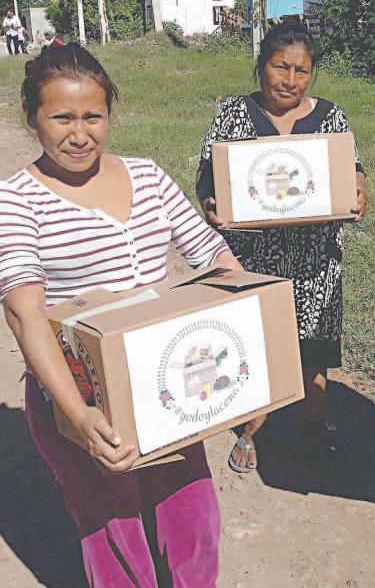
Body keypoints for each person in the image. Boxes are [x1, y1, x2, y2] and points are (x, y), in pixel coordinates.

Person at [1, 44, 243, 587]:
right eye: (61, 117)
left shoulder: (147, 176)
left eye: (93, 116)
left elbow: (214, 255)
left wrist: (252, 348)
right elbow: (25, 315)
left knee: (193, 517)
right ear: (31, 116)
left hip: (166, 384)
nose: (79, 134)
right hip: (81, 395)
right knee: (116, 535)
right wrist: (79, 415)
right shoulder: (15, 201)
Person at [196, 21, 368, 473]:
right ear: (261, 66)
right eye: (280, 67)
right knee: (256, 347)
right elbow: (207, 175)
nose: (290, 80)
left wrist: (357, 191)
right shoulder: (234, 114)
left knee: (313, 353)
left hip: (316, 262)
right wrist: (211, 202)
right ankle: (253, 429)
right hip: (252, 259)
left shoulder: (330, 116)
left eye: (301, 70)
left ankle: (314, 426)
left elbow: (352, 168)